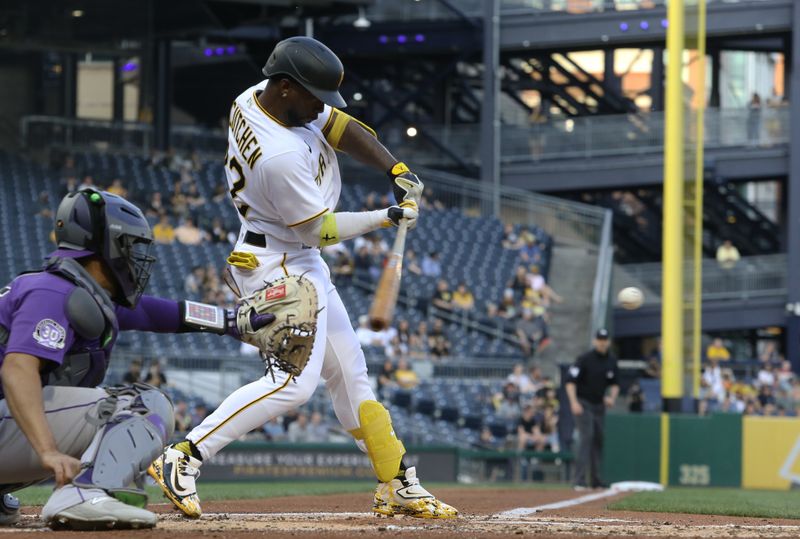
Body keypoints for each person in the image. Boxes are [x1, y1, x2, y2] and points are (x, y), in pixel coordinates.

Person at [148, 36, 456, 520]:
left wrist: (394, 167)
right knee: (293, 383)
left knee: (351, 374)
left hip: (294, 255)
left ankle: (395, 480)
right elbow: (321, 229)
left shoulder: (257, 96)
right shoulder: (278, 156)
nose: (322, 107)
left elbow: (338, 126)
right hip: (280, 262)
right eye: (315, 95)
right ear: (288, 87)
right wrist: (387, 216)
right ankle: (183, 456)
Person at [0, 189, 271, 530]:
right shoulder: (52, 292)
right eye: (129, 244)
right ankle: (86, 493)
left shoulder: (71, 291)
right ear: (106, 246)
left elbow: (164, 314)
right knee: (144, 405)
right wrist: (47, 451)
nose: (135, 256)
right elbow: (17, 368)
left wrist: (232, 322)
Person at [565, 328, 619, 490]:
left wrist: (612, 398)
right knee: (587, 436)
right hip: (583, 403)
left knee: (598, 440)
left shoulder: (611, 360)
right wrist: (573, 402)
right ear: (595, 341)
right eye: (600, 339)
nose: (602, 342)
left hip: (599, 405)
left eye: (605, 339)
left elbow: (615, 384)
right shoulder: (584, 359)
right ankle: (579, 479)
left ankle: (596, 480)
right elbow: (570, 381)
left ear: (608, 341)